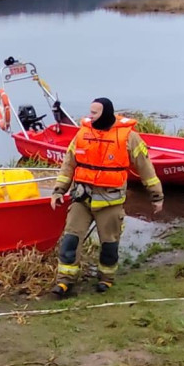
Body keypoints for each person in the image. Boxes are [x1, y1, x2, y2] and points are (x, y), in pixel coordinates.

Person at [49, 97, 163, 297]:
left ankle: (106, 278)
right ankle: (65, 280)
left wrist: (156, 196)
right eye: (90, 112)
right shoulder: (82, 134)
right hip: (82, 199)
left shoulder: (129, 138)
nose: (90, 116)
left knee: (109, 244)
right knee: (70, 240)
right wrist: (59, 190)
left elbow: (146, 169)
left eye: (95, 112)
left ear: (106, 113)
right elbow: (68, 165)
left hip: (110, 202)